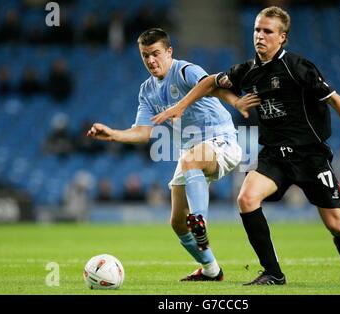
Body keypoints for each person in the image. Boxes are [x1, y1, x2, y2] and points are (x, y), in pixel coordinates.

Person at [152, 6, 340, 285]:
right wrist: (182, 107)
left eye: (267, 31)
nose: (260, 36)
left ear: (282, 38)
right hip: (274, 155)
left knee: (337, 225)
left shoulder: (299, 68)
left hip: (310, 155)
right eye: (256, 30)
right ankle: (273, 273)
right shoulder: (248, 71)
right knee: (246, 199)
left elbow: (336, 100)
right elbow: (210, 83)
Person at [87, 28, 253, 281]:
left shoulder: (185, 70)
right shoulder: (147, 90)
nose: (151, 61)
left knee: (190, 161)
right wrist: (113, 135)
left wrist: (236, 102)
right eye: (145, 56)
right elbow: (143, 132)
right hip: (191, 155)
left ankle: (201, 221)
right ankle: (211, 270)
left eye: (155, 54)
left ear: (169, 52)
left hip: (222, 141)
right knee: (177, 222)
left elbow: (212, 85)